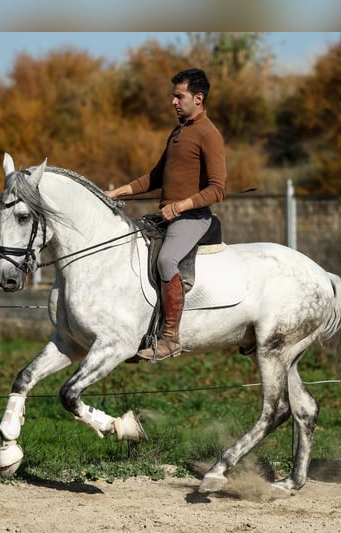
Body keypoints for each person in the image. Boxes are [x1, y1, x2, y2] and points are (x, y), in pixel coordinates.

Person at [106, 68, 227, 361]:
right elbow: (155, 177)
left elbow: (218, 189)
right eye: (173, 96)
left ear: (198, 98)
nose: (173, 101)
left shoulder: (209, 134)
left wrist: (180, 206)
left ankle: (171, 339)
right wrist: (116, 192)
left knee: (166, 260)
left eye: (179, 96)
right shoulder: (179, 131)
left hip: (193, 218)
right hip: (169, 216)